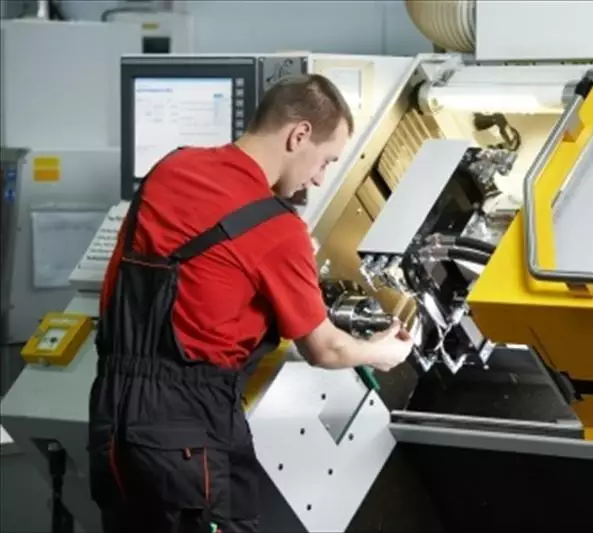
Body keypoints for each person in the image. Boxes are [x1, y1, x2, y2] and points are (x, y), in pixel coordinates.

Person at [87, 74, 414, 533]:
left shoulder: (171, 168)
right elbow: (326, 349)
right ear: (299, 134)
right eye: (326, 160)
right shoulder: (278, 228)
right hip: (189, 429)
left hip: (112, 418)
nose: (320, 178)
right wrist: (381, 352)